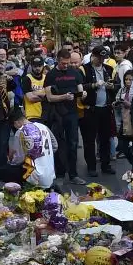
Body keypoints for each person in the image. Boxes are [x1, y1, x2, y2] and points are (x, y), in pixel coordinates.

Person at [42, 46, 86, 186]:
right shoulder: (51, 75)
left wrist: (82, 94)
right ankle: (60, 173)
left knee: (73, 144)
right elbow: (49, 97)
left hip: (72, 113)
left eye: (68, 63)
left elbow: (80, 89)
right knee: (59, 144)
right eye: (63, 63)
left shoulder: (75, 72)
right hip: (57, 114)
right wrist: (63, 97)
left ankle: (73, 174)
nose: (66, 66)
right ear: (57, 60)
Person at [82, 51, 116, 177]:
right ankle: (91, 166)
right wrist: (94, 85)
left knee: (105, 138)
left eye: (103, 57)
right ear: (93, 57)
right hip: (91, 108)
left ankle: (105, 164)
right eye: (99, 57)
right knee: (90, 139)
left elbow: (117, 84)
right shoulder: (85, 69)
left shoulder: (109, 69)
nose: (102, 60)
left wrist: (112, 86)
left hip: (106, 108)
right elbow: (81, 86)